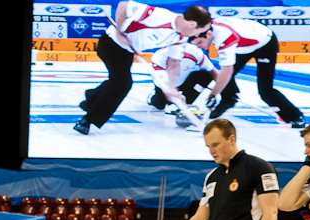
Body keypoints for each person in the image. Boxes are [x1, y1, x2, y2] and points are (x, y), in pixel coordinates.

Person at [73, 2, 211, 135]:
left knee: (117, 80)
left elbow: (173, 63)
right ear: (192, 24)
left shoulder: (180, 38)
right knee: (122, 83)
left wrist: (170, 88)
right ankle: (87, 121)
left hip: (127, 51)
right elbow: (123, 6)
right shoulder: (160, 16)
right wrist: (120, 32)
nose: (197, 35)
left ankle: (90, 99)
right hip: (111, 43)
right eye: (199, 31)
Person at [190, 18, 304, 127]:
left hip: (265, 44)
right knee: (225, 76)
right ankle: (229, 99)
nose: (199, 47)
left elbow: (227, 70)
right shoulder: (206, 29)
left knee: (265, 90)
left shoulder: (224, 37)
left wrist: (213, 95)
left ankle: (295, 117)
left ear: (208, 34)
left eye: (200, 42)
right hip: (244, 46)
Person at [147, 38, 219, 111]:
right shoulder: (159, 55)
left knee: (206, 75)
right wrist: (173, 93)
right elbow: (160, 80)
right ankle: (154, 96)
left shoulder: (195, 51)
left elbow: (212, 72)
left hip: (185, 80)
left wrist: (217, 93)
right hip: (165, 84)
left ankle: (187, 101)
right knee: (159, 104)